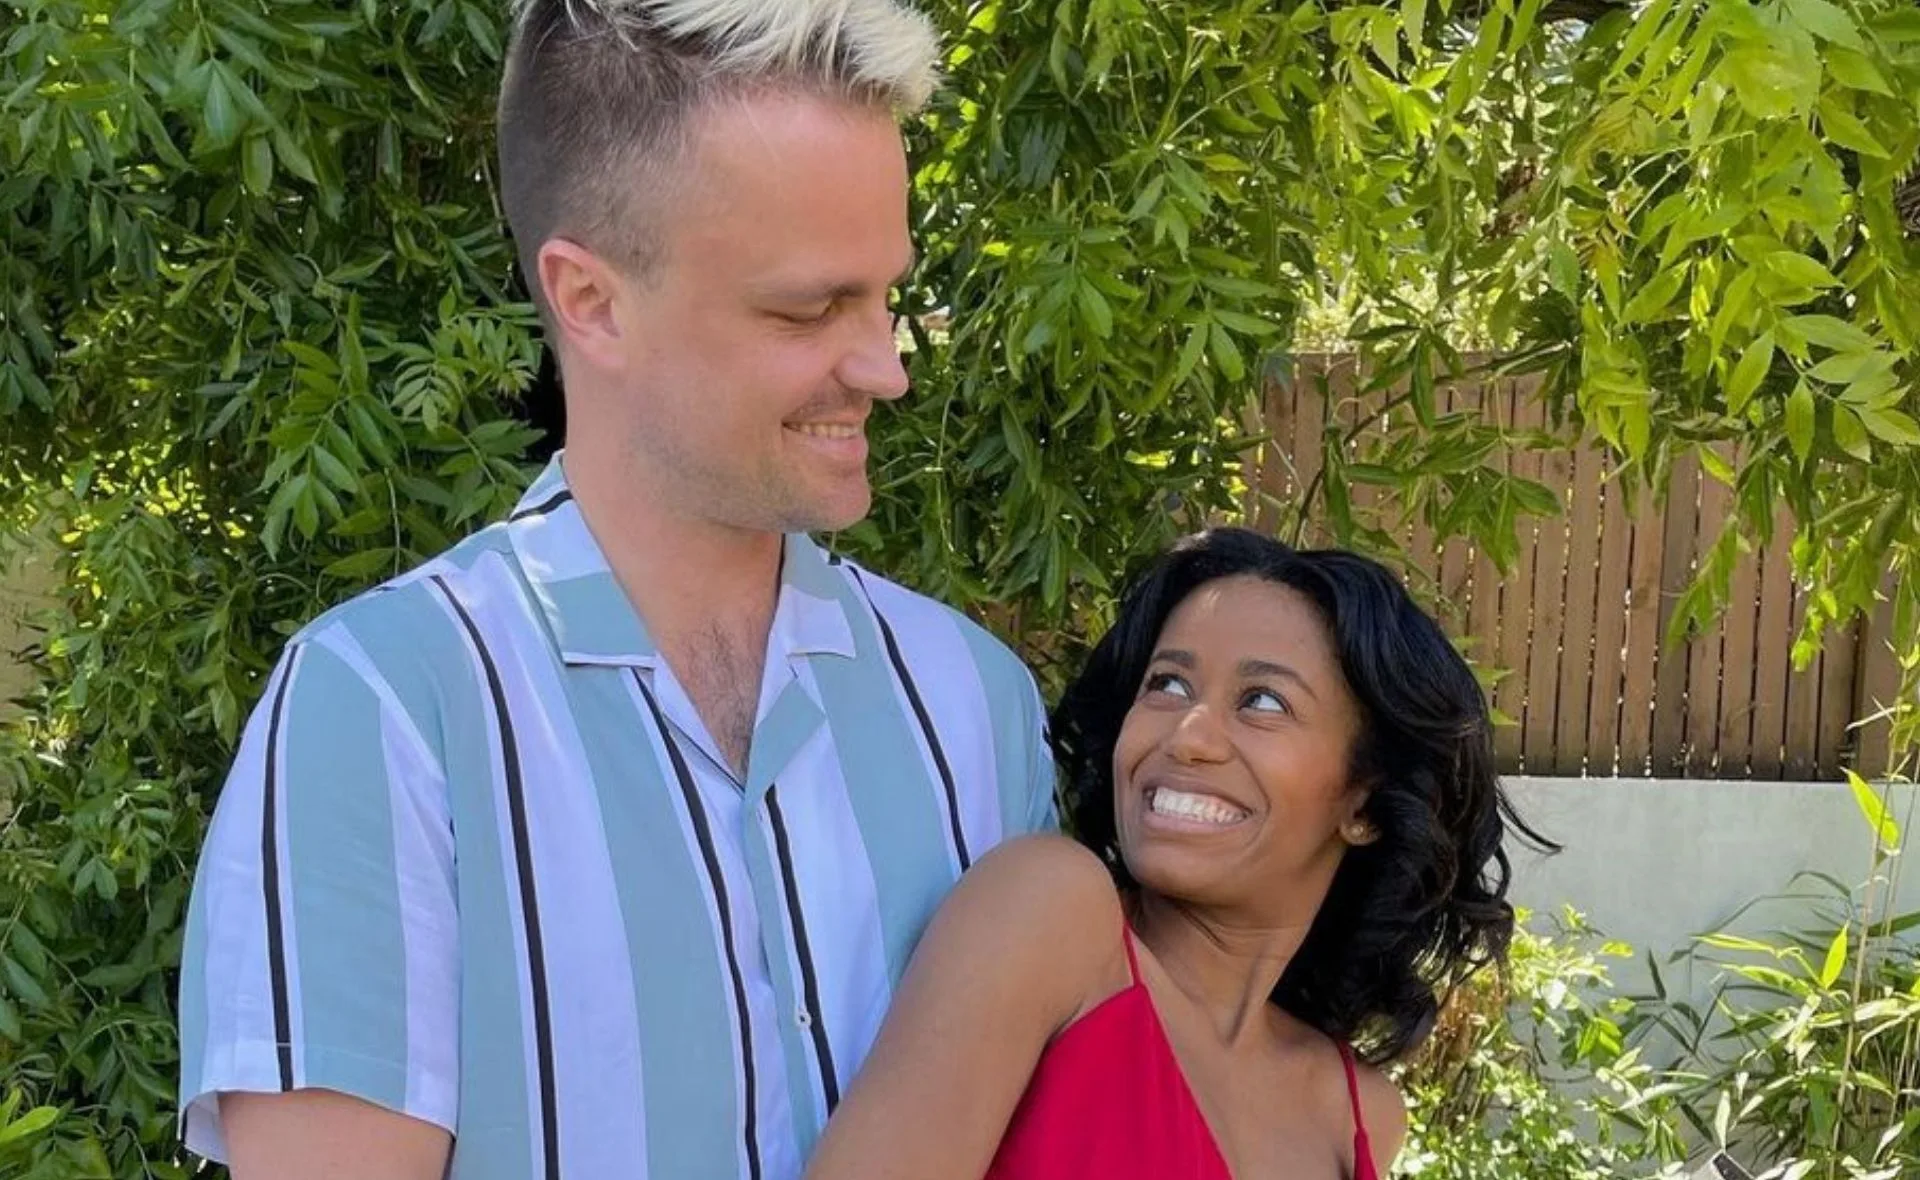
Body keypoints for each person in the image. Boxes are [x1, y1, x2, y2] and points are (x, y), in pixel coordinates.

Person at [175, 3, 1057, 1179]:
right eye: (809, 308)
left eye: (885, 294)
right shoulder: (384, 711)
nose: (885, 364)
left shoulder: (975, 706)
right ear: (591, 301)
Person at [804, 527, 1551, 1179]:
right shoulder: (1049, 913)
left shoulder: (1359, 1117)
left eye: (1262, 701)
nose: (1186, 734)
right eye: (1166, 683)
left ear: (1364, 802)